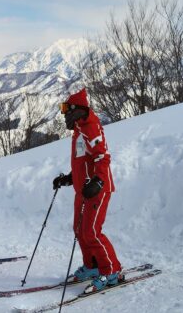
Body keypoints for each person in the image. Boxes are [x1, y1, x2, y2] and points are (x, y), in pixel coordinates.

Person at [52, 88, 122, 292]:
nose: (64, 114)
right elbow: (84, 161)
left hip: (97, 189)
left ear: (78, 110)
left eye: (67, 110)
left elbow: (103, 157)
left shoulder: (91, 127)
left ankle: (112, 270)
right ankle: (92, 266)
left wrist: (99, 181)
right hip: (83, 189)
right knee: (79, 229)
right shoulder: (78, 130)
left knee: (92, 231)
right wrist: (69, 178)